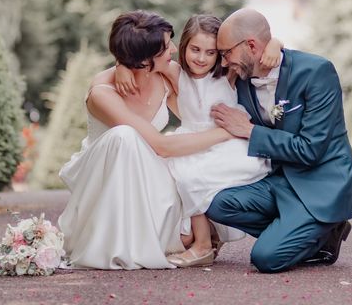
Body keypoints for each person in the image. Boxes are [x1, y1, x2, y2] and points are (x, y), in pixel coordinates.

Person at [58, 10, 237, 270]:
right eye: (165, 48)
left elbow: (211, 89)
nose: (175, 50)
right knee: (125, 137)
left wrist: (275, 48)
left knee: (186, 211)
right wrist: (229, 131)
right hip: (106, 175)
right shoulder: (103, 93)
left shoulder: (166, 73)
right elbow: (162, 146)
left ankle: (184, 233)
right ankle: (122, 237)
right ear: (143, 59)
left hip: (150, 168)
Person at [207, 8, 352, 274]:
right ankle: (309, 234)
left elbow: (310, 149)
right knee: (217, 204)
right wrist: (124, 70)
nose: (223, 62)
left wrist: (249, 131)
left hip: (320, 185)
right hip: (280, 181)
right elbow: (189, 70)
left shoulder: (317, 72)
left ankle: (316, 230)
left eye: (226, 53)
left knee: (266, 258)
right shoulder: (242, 77)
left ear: (251, 46)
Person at [116, 15, 279, 267]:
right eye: (195, 49)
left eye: (210, 52)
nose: (201, 58)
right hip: (191, 141)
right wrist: (121, 66)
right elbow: (142, 56)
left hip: (227, 142)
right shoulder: (175, 72)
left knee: (193, 176)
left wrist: (275, 44)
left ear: (221, 54)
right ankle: (206, 237)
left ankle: (203, 245)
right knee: (178, 172)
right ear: (183, 47)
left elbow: (257, 48)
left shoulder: (228, 73)